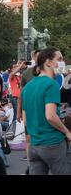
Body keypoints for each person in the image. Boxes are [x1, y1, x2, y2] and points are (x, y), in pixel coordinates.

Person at [22, 47, 71, 175]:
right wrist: (67, 132)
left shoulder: (28, 86)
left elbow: (25, 118)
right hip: (52, 143)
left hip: (34, 145)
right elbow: (50, 116)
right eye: (59, 59)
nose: (62, 62)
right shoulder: (51, 84)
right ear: (48, 62)